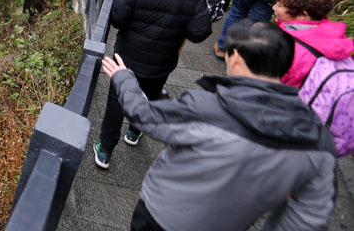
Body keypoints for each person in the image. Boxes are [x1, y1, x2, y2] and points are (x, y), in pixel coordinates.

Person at [101, 19, 337, 231]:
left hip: (163, 215)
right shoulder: (316, 139)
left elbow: (144, 115)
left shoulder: (205, 109)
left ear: (236, 58)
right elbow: (308, 216)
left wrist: (123, 78)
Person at [92, 0, 210, 170]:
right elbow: (199, 32)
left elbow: (118, 19)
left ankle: (105, 149)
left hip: (128, 56)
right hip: (163, 59)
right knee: (151, 93)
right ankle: (135, 131)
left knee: (117, 100)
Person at [271, 0, 352, 88]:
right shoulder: (335, 37)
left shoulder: (291, 48)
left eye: (280, 5)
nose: (274, 7)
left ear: (303, 15)